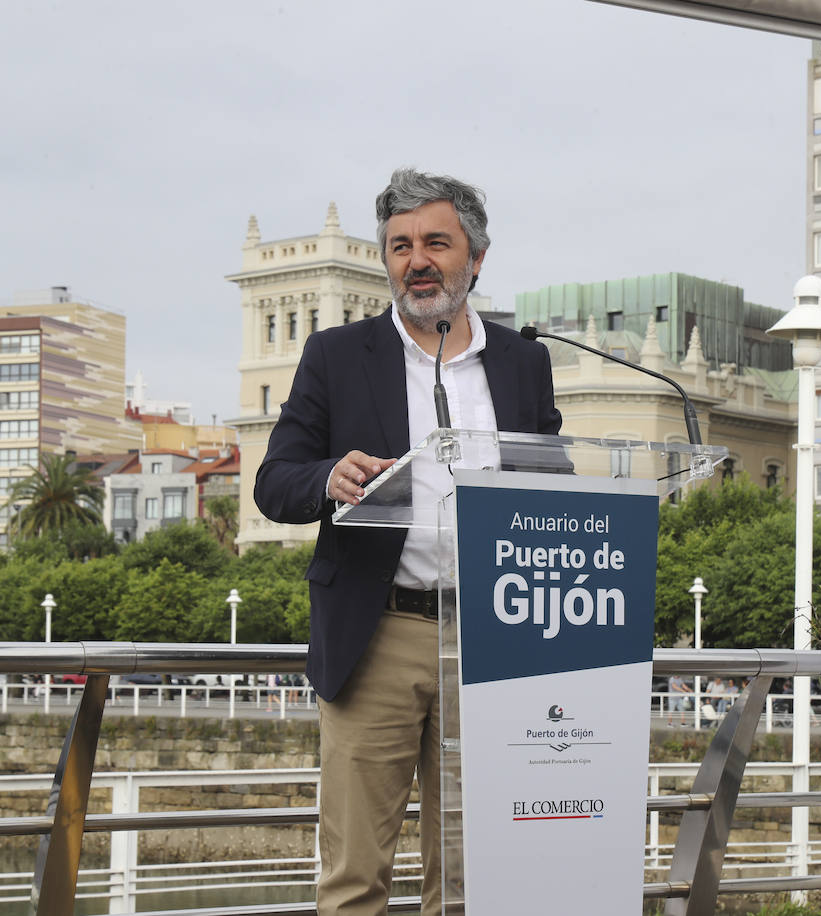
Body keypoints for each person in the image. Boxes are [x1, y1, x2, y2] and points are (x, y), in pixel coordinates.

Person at [254, 168, 561, 916]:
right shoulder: (335, 354)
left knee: (465, 877)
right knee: (357, 877)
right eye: (399, 246)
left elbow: (553, 486)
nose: (416, 260)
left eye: (435, 242)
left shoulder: (523, 361)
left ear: (475, 258)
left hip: (493, 635)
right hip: (377, 633)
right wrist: (329, 475)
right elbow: (275, 482)